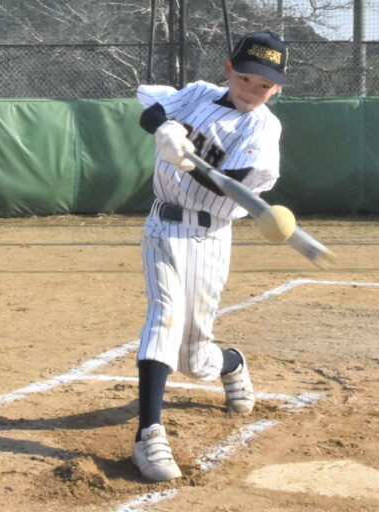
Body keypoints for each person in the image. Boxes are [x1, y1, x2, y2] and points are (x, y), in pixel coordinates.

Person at [132, 31, 289, 482]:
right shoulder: (199, 94)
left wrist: (187, 159)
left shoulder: (263, 127)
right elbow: (151, 106)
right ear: (228, 69)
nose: (252, 91)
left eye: (263, 86)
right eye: (245, 79)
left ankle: (232, 362)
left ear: (276, 89)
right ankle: (149, 435)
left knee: (196, 360)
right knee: (162, 317)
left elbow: (232, 181)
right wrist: (164, 128)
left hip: (209, 236)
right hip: (163, 225)